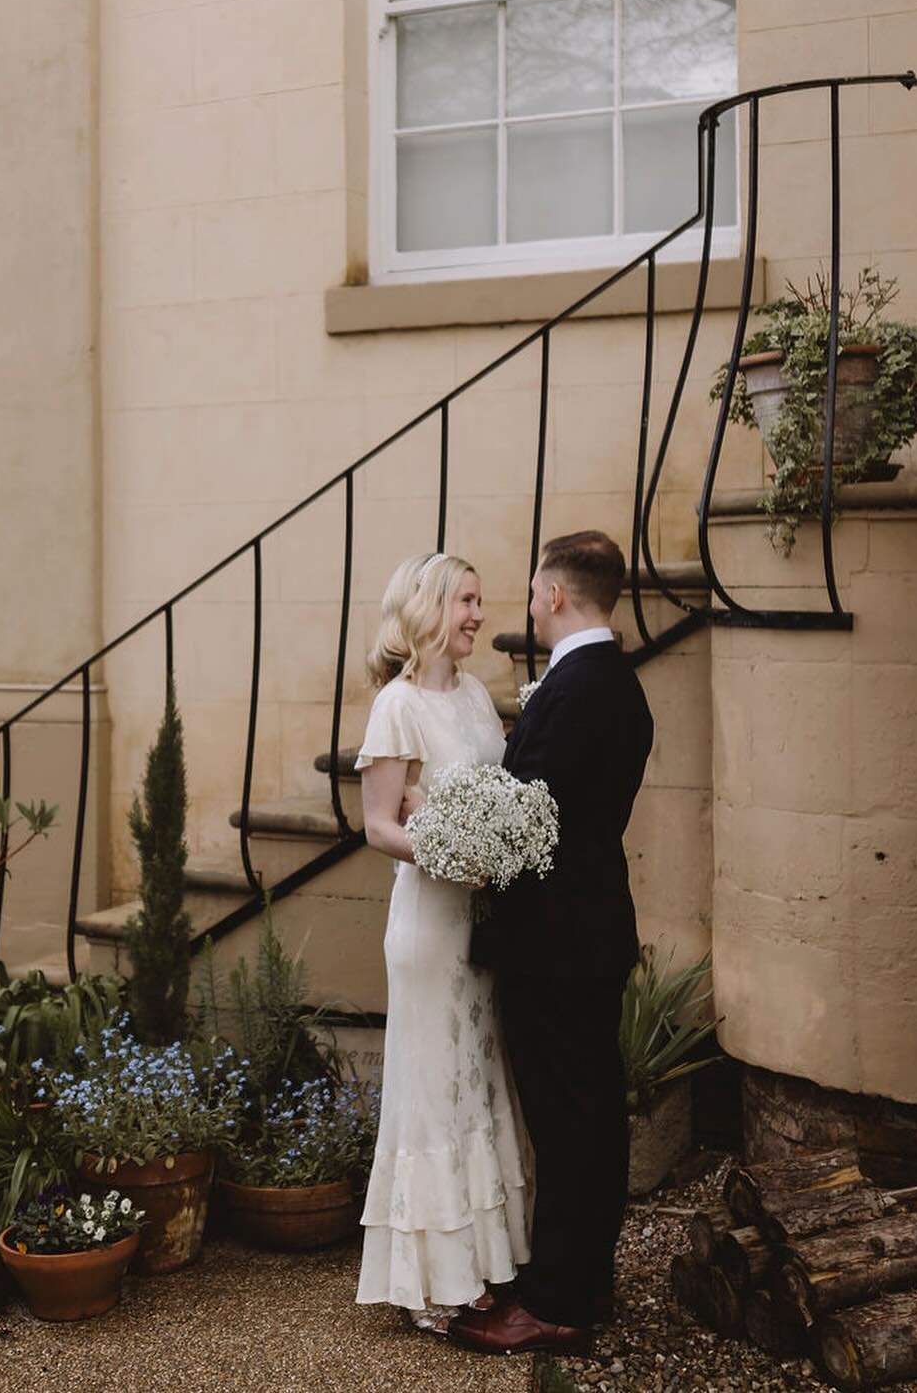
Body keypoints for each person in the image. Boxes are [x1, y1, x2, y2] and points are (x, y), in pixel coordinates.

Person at [450, 530, 653, 1359]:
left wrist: (455, 837)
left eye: (534, 589)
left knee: (568, 1123)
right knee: (592, 1115)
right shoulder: (616, 684)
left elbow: (531, 821)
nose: (528, 602)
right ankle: (584, 1279)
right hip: (590, 934)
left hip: (558, 945)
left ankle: (557, 1304)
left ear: (557, 595)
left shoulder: (576, 691)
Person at [354, 551, 532, 1334]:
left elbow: (500, 790)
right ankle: (433, 1284)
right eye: (466, 601)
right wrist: (455, 854)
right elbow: (379, 825)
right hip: (429, 922)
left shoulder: (475, 697)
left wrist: (507, 845)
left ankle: (486, 1257)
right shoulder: (396, 707)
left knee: (478, 1079)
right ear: (429, 609)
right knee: (433, 1089)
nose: (477, 616)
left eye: (480, 602)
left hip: (481, 922)